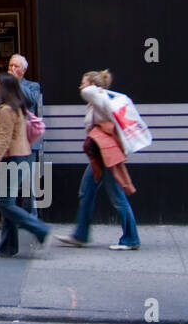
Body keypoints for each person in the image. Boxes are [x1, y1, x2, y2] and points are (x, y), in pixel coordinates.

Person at [55, 70, 140, 250]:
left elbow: (87, 92)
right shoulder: (99, 101)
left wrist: (93, 86)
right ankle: (80, 235)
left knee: (117, 196)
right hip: (101, 154)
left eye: (83, 82)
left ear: (93, 86)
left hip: (106, 155)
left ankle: (131, 239)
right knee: (87, 192)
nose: (81, 86)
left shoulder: (99, 98)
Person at [0, 74, 50, 257]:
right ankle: (8, 247)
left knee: (4, 203)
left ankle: (39, 229)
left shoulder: (6, 110)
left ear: (5, 88)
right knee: (6, 203)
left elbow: (4, 141)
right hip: (21, 157)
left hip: (13, 159)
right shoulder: (18, 107)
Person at [9, 54, 44, 217]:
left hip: (28, 140)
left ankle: (30, 217)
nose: (12, 69)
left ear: (23, 70)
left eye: (16, 66)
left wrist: (16, 83)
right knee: (9, 181)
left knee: (27, 180)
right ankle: (11, 217)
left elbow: (31, 100)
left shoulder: (32, 86)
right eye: (10, 66)